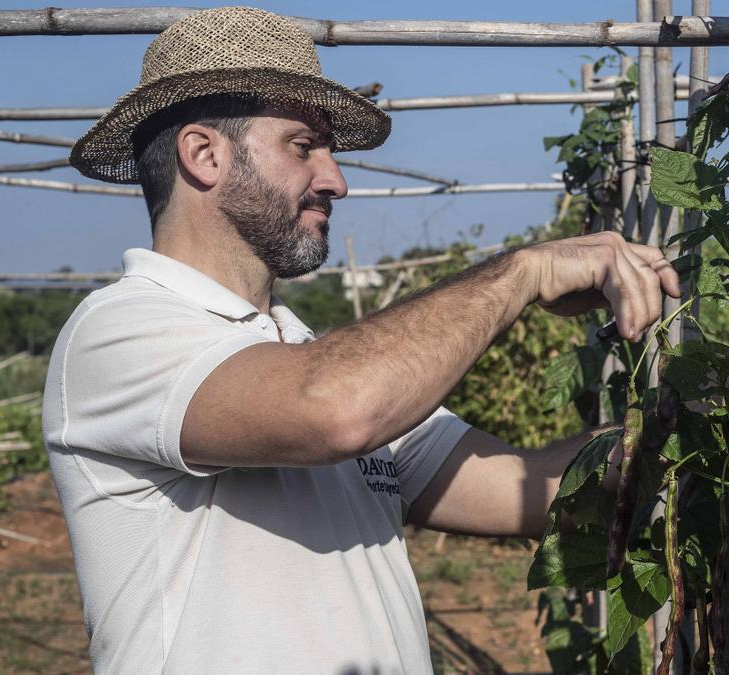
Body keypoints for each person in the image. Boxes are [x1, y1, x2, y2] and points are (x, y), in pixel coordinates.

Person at [43, 6, 679, 674]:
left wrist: (690, 416)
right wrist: (525, 270)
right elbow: (337, 409)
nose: (336, 179)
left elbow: (539, 490)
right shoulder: (119, 332)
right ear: (204, 154)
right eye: (302, 146)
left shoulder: (302, 351)